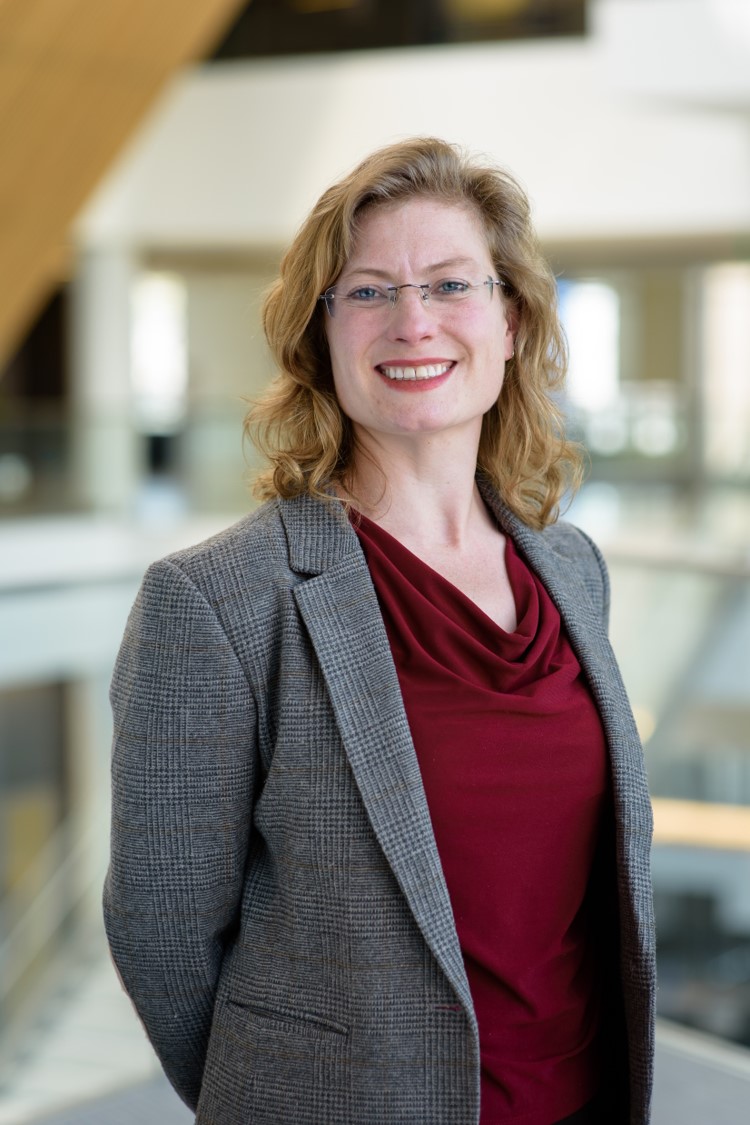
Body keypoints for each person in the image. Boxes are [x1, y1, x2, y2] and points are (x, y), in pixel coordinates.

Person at [104, 137, 655, 1125]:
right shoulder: (221, 600)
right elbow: (162, 931)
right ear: (321, 335)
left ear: (513, 319)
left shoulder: (572, 571)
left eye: (450, 284)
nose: (413, 323)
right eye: (367, 293)